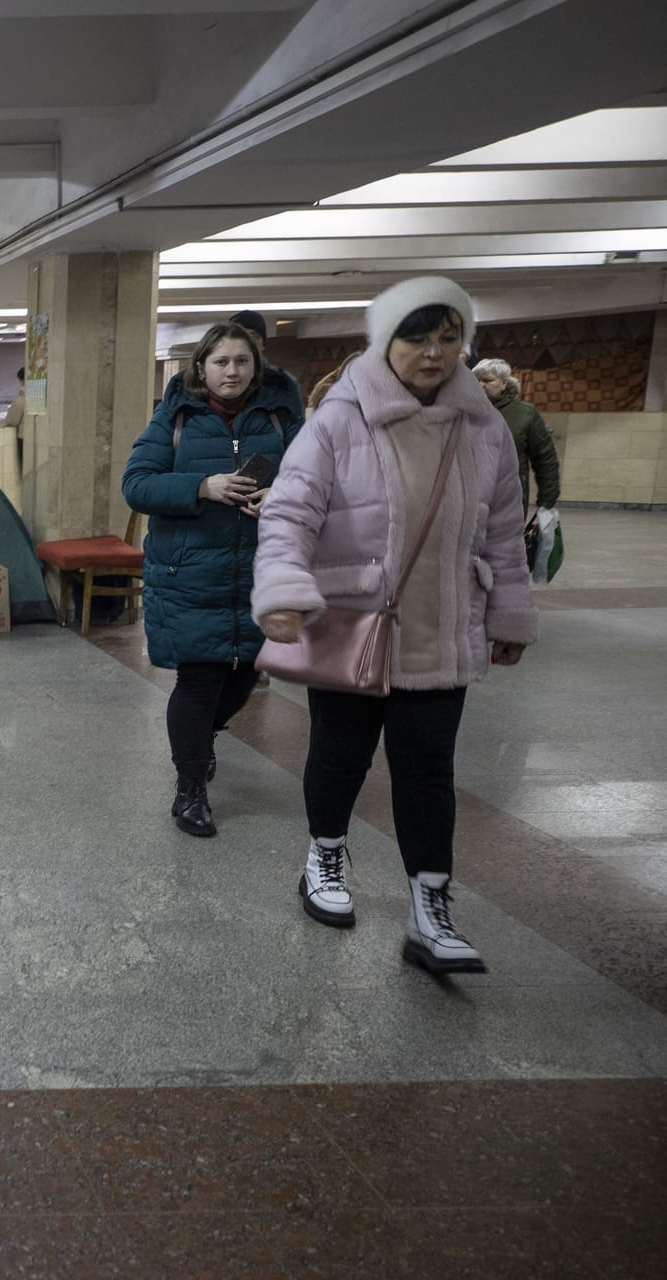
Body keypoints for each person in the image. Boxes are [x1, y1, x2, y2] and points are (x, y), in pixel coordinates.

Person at [253, 277, 537, 974]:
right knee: (340, 756)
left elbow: (503, 531)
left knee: (428, 772)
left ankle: (429, 907)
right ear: (386, 341)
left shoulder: (485, 427)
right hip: (356, 620)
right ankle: (324, 856)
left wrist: (510, 615)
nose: (434, 353)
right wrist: (285, 592)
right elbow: (290, 514)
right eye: (417, 337)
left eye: (449, 338)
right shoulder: (340, 419)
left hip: (443, 628)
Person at [123, 319, 304, 837]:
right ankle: (190, 788)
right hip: (189, 575)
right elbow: (137, 484)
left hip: (259, 571)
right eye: (221, 362)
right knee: (199, 679)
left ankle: (203, 740)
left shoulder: (279, 415)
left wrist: (283, 494)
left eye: (242, 362)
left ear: (257, 365)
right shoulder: (176, 415)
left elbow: (320, 474)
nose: (232, 371)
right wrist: (202, 486)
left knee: (246, 672)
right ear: (202, 367)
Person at [473, 357, 560, 515]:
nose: (480, 385)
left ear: (504, 384)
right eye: (475, 380)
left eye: (487, 380)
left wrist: (547, 503)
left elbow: (545, 460)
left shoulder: (524, 414)